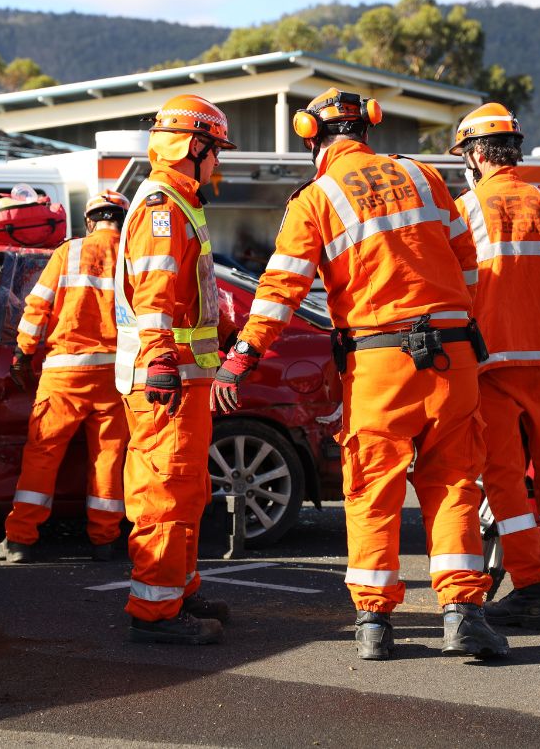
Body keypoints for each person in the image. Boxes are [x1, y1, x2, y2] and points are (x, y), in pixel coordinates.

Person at [212, 87, 509, 661]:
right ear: (365, 129)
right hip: (453, 358)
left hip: (380, 362)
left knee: (373, 488)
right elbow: (467, 262)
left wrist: (242, 356)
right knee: (453, 485)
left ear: (312, 137)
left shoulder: (316, 198)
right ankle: (464, 614)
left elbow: (280, 291)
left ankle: (373, 623)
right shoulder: (424, 176)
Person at [451, 102, 540, 627]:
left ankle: (530, 588)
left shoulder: (467, 208)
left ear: (476, 156)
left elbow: (460, 290)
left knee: (505, 477)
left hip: (493, 360)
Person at [114, 94, 236, 645]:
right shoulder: (164, 206)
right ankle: (154, 612)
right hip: (167, 377)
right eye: (215, 152)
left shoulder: (179, 202)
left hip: (183, 376)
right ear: (194, 145)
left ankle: (179, 591)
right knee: (164, 492)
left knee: (186, 491)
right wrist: (161, 356)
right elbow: (156, 293)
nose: (219, 163)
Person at [0, 191, 131, 564]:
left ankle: (20, 539)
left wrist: (24, 352)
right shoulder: (134, 254)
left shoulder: (68, 252)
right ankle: (105, 540)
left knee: (42, 454)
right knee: (108, 457)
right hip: (116, 375)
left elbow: (36, 306)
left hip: (64, 373)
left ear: (90, 221)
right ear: (123, 218)